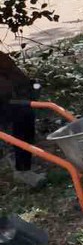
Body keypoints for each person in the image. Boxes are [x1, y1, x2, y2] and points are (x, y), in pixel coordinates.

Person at [0, 53, 45, 187]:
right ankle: (22, 169)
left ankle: (23, 168)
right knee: (22, 116)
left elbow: (17, 76)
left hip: (10, 100)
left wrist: (30, 89)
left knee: (25, 115)